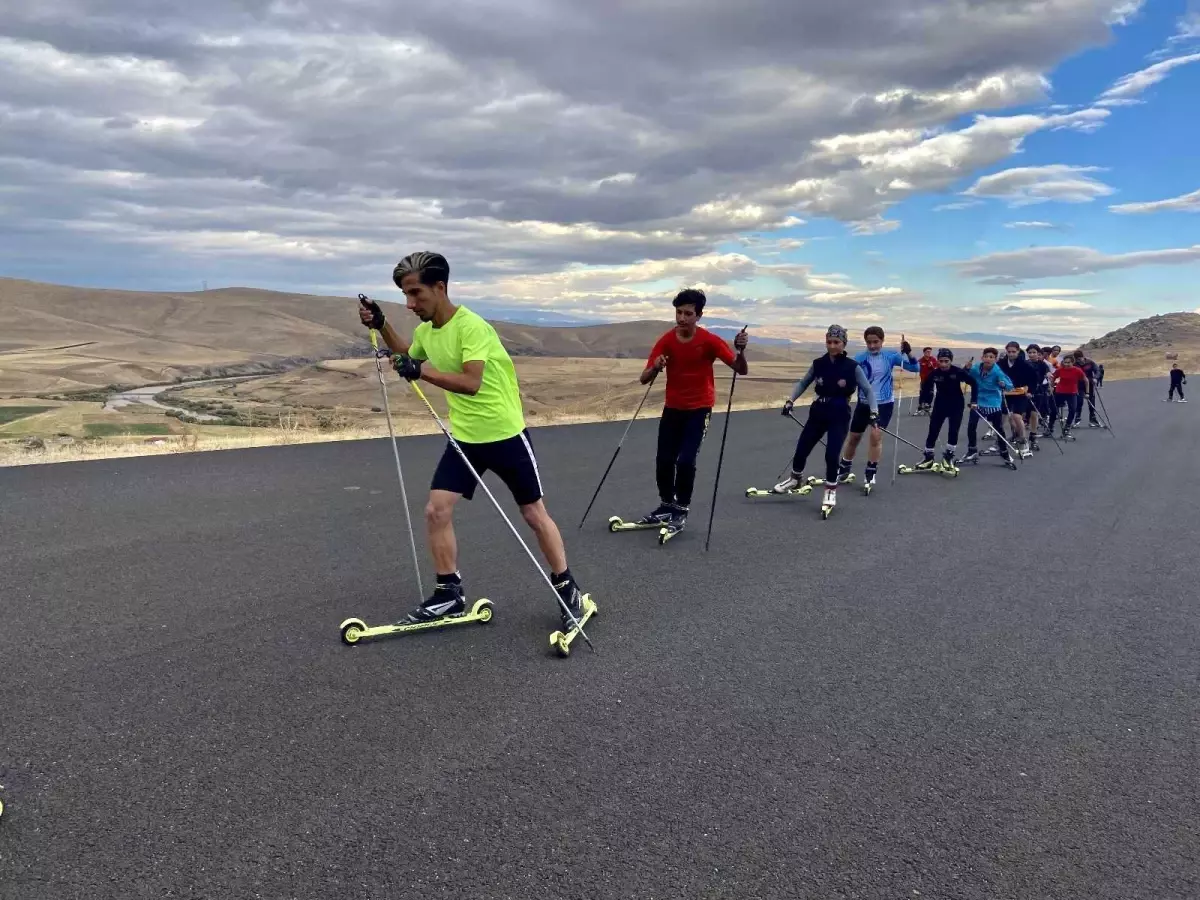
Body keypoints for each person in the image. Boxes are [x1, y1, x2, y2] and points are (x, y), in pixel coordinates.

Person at [359, 251, 587, 632]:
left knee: (533, 514)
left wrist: (422, 372)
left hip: (505, 435)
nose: (410, 304)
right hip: (465, 438)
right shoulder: (426, 333)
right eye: (404, 296)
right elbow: (406, 355)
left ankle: (569, 590)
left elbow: (471, 382)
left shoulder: (472, 327)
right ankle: (449, 593)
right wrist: (383, 325)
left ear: (440, 287)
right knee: (436, 510)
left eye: (416, 294)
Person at [635, 288, 748, 536]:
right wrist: (655, 366)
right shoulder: (666, 341)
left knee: (685, 461)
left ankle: (681, 509)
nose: (682, 318)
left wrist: (740, 350)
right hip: (672, 408)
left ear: (699, 315)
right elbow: (644, 378)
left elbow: (740, 370)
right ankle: (666, 505)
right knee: (664, 460)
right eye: (678, 312)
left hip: (699, 409)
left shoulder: (709, 341)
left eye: (688, 313)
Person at [773, 324, 878, 514]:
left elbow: (868, 389)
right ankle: (795, 479)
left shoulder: (852, 367)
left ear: (843, 344)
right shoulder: (818, 363)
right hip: (818, 410)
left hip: (839, 413)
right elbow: (804, 382)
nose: (832, 346)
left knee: (831, 454)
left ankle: (830, 490)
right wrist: (790, 401)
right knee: (803, 446)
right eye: (829, 341)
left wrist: (874, 410)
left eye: (836, 342)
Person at [836, 326, 920, 491]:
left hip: (884, 404)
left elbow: (916, 368)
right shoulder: (860, 357)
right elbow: (848, 377)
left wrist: (909, 353)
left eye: (876, 342)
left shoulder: (891, 356)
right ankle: (844, 468)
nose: (873, 346)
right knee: (854, 438)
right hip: (863, 403)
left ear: (882, 341)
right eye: (869, 342)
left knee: (875, 436)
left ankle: (871, 471)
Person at [911, 348, 977, 470]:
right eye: (941, 361)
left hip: (956, 405)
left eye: (946, 361)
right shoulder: (935, 373)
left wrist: (974, 401)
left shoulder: (957, 372)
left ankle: (948, 458)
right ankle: (928, 458)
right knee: (933, 431)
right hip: (940, 405)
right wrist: (925, 402)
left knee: (953, 431)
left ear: (950, 361)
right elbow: (926, 386)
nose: (943, 364)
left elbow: (974, 383)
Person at [962, 348, 1017, 469]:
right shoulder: (975, 368)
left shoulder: (998, 372)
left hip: (993, 403)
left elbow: (1010, 386)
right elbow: (963, 377)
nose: (988, 359)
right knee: (971, 425)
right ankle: (972, 451)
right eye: (986, 356)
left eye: (991, 357)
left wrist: (1003, 385)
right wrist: (966, 368)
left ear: (995, 359)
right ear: (982, 358)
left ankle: (1004, 453)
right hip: (977, 401)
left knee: (998, 429)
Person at [998, 341, 1036, 457]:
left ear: (1018, 351)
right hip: (1006, 394)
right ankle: (1007, 439)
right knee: (1005, 416)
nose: (1011, 354)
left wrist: (1030, 391)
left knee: (1017, 416)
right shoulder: (1001, 363)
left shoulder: (1024, 364)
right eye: (1009, 352)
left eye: (1013, 352)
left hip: (1020, 394)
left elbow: (1034, 379)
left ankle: (1024, 441)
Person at [1024, 344, 1053, 447]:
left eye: (1034, 352)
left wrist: (1049, 375)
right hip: (1024, 391)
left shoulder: (1042, 364)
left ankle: (1033, 436)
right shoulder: (1024, 364)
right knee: (1022, 414)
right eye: (1030, 352)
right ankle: (1019, 436)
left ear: (1038, 354)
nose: (1032, 354)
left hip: (1037, 391)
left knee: (1034, 414)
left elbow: (1048, 373)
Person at [1052, 354, 1086, 439]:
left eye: (1068, 362)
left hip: (1072, 392)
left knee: (1073, 410)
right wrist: (1051, 386)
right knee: (1054, 410)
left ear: (1072, 362)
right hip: (1060, 392)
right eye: (1065, 362)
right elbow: (1053, 377)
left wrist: (1087, 392)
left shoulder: (1077, 370)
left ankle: (1067, 428)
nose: (1066, 364)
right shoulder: (1060, 370)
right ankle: (1050, 427)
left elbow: (1086, 380)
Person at [1072, 350, 1103, 427]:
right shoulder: (1075, 365)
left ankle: (1092, 419)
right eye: (1077, 359)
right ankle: (1077, 419)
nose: (1079, 361)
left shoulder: (1090, 362)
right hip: (1079, 385)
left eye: (1080, 358)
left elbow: (1097, 370)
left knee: (1091, 402)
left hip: (1090, 384)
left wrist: (1096, 378)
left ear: (1083, 357)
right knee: (1079, 402)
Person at [917, 346, 938, 414]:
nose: (929, 353)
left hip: (931, 379)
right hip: (923, 379)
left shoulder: (933, 360)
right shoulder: (921, 360)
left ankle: (928, 405)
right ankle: (921, 405)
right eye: (927, 352)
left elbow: (936, 368)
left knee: (930, 392)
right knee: (923, 392)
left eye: (930, 352)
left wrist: (932, 366)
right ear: (924, 352)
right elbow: (916, 367)